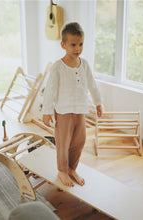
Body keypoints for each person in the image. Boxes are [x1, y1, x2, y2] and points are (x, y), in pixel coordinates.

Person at [42, 22, 102, 187]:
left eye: (81, 44)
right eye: (73, 45)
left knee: (79, 141)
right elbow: (50, 91)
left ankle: (71, 168)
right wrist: (46, 112)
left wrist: (98, 103)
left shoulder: (85, 65)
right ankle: (62, 170)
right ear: (63, 45)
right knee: (63, 143)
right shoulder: (58, 67)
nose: (78, 48)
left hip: (80, 111)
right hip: (63, 111)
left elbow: (92, 85)